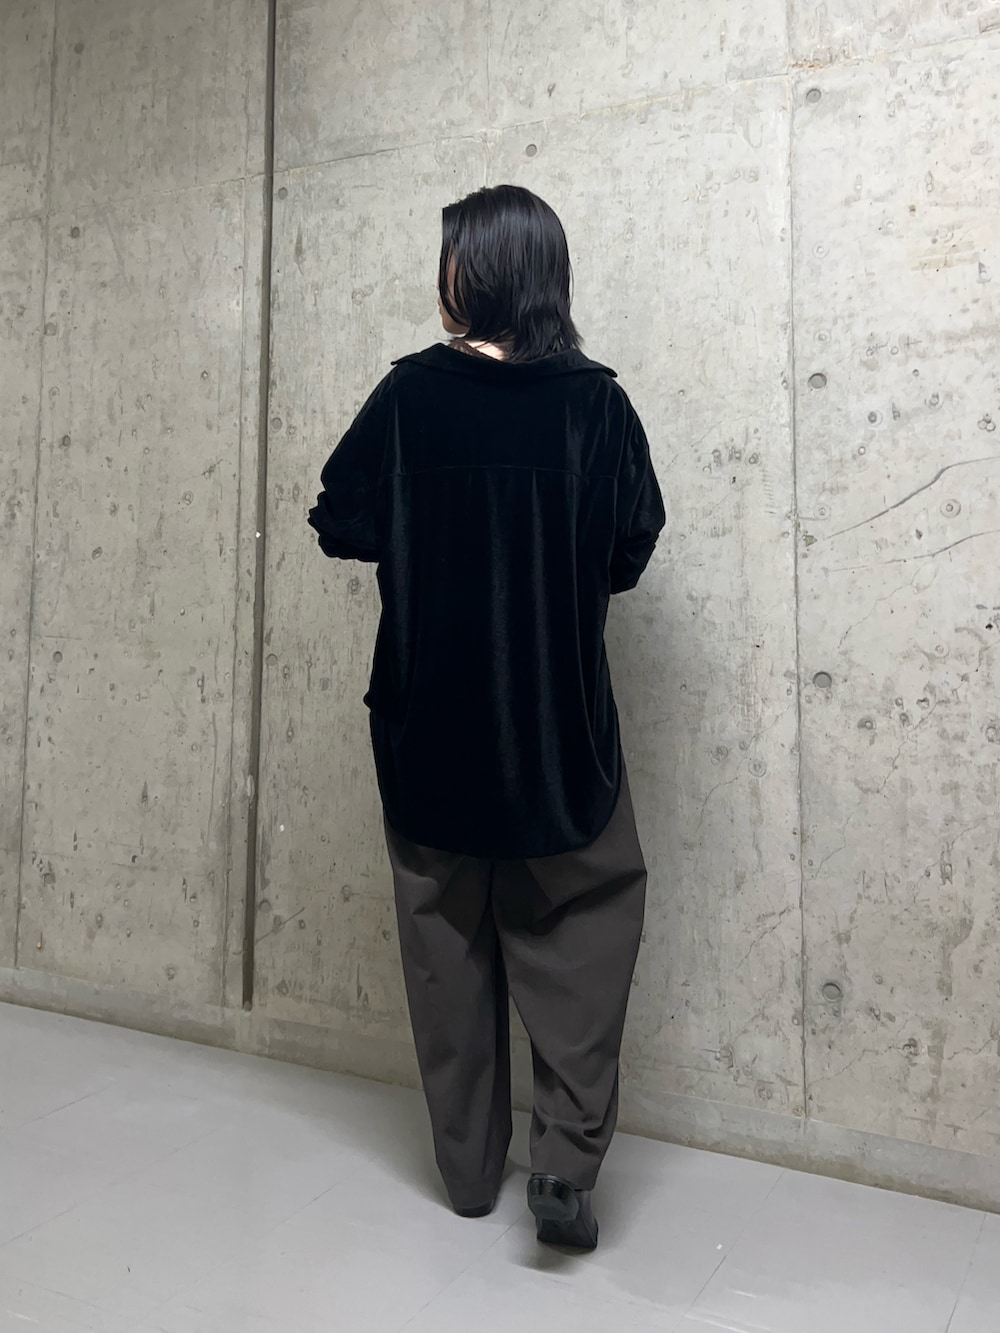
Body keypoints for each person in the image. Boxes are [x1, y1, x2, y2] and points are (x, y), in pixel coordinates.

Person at [307, 184, 664, 1250]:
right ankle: (563, 1166)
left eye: (450, 256)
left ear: (479, 272)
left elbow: (339, 519)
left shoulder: (409, 397)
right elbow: (630, 547)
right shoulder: (596, 405)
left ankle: (468, 1173)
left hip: (431, 729)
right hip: (561, 737)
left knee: (444, 949)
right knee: (584, 936)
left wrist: (431, 531)